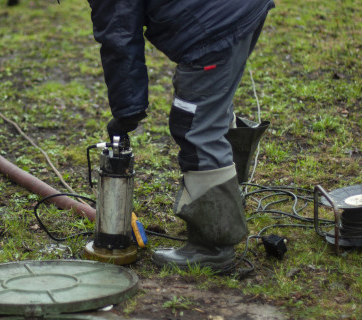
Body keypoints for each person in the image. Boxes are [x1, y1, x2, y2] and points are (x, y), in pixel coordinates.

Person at [86, 0, 274, 273]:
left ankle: (213, 245)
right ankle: (227, 206)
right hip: (241, 9)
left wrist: (126, 113)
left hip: (215, 25)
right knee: (210, 110)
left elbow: (119, 37)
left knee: (196, 127)